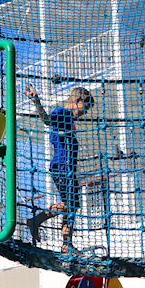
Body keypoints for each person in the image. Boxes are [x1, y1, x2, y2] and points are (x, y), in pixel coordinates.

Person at [24, 84, 95, 253]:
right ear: (77, 100)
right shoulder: (62, 112)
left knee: (72, 206)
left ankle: (66, 244)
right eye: (84, 109)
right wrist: (37, 101)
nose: (84, 114)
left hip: (69, 169)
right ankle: (38, 221)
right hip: (62, 168)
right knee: (70, 204)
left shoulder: (69, 120)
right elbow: (47, 119)